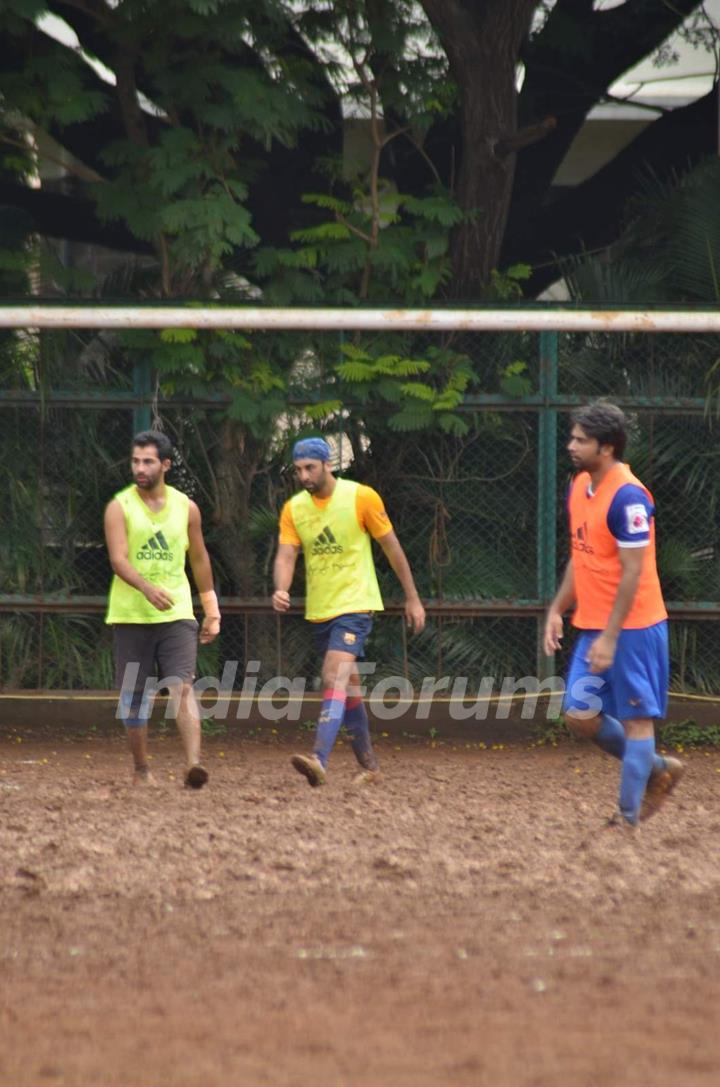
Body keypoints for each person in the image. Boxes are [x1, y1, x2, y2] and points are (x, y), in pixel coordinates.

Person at [544, 401, 683, 828]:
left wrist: (611, 635)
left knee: (637, 722)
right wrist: (556, 608)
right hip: (592, 623)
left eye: (580, 440)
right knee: (578, 714)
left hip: (634, 627)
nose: (571, 445)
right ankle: (657, 768)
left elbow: (633, 571)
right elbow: (581, 556)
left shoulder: (629, 497)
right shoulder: (578, 484)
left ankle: (627, 819)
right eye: (573, 437)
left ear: (606, 447)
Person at [272, 437, 425, 787]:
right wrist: (281, 587)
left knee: (333, 675)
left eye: (310, 467)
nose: (304, 475)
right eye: (298, 470)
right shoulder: (294, 508)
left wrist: (412, 597)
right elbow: (286, 555)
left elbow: (392, 548)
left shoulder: (361, 497)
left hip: (356, 604)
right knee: (349, 688)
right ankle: (370, 767)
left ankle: (318, 759)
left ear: (328, 465)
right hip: (321, 609)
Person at [104, 429, 221, 787]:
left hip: (177, 612)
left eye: (148, 461)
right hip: (132, 613)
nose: (140, 467)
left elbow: (198, 558)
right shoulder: (119, 506)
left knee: (182, 686)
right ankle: (141, 770)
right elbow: (118, 560)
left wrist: (210, 607)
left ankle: (193, 766)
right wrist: (145, 587)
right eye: (136, 460)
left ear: (166, 464)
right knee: (135, 696)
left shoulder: (187, 508)